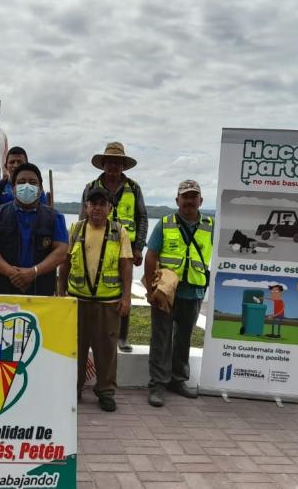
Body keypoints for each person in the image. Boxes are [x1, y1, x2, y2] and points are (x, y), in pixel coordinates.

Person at [59, 187, 132, 412]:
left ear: (110, 208)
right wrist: (60, 292)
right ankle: (74, 389)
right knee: (75, 348)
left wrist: (126, 296)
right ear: (86, 207)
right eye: (93, 204)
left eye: (102, 204)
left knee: (107, 350)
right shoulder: (75, 229)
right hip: (77, 301)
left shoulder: (119, 232)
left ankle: (105, 391)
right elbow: (65, 262)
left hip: (108, 303)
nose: (97, 208)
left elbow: (126, 265)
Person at [145, 180, 213, 407]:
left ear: (200, 201)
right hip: (166, 293)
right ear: (177, 201)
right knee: (161, 338)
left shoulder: (210, 226)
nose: (189, 201)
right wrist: (150, 291)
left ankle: (178, 379)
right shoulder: (164, 224)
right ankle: (157, 384)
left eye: (194, 197)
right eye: (185, 197)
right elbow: (151, 256)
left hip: (193, 293)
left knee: (184, 338)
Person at [80, 142, 148, 353]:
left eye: (117, 162)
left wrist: (138, 247)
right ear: (103, 164)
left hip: (125, 246)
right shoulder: (91, 187)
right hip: (96, 243)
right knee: (96, 286)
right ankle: (92, 334)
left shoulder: (134, 188)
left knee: (124, 288)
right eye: (109, 162)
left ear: (123, 166)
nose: (113, 166)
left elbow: (142, 217)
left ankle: (122, 336)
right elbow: (83, 217)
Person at [0, 163, 67, 296]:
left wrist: (34, 272)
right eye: (21, 182)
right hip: (2, 293)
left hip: (41, 293)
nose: (26, 186)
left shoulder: (55, 217)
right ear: (13, 189)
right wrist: (12, 273)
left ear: (40, 189)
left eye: (32, 182)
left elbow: (61, 251)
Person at [0, 146, 48, 211]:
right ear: (6, 166)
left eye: (19, 162)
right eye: (12, 162)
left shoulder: (35, 188)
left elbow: (45, 212)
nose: (16, 165)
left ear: (26, 164)